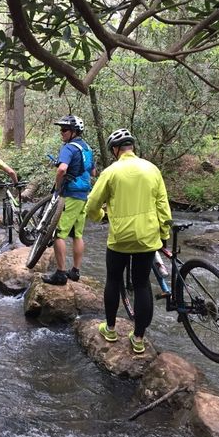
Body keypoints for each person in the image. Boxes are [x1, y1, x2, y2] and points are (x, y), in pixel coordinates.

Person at [85, 128, 172, 354]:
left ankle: (111, 329)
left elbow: (92, 204)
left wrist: (100, 217)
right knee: (142, 284)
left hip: (120, 238)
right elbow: (163, 205)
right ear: (132, 147)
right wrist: (164, 234)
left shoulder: (111, 172)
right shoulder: (152, 169)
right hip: (147, 237)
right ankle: (139, 339)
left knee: (113, 280)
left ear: (115, 150)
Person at [42, 115, 96, 286]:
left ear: (74, 132)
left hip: (70, 194)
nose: (61, 133)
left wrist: (58, 187)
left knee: (59, 234)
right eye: (61, 129)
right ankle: (75, 271)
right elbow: (93, 172)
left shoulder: (68, 148)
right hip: (83, 194)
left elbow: (61, 170)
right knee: (77, 234)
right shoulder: (87, 148)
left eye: (64, 130)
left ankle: (60, 273)